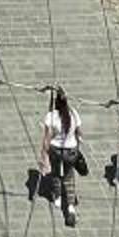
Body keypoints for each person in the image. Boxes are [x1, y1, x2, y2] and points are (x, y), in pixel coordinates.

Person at [37, 86, 84, 225]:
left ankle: (57, 197)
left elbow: (46, 139)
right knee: (69, 177)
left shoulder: (51, 116)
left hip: (56, 150)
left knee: (56, 173)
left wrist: (43, 156)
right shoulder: (73, 113)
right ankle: (70, 207)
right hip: (71, 150)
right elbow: (80, 133)